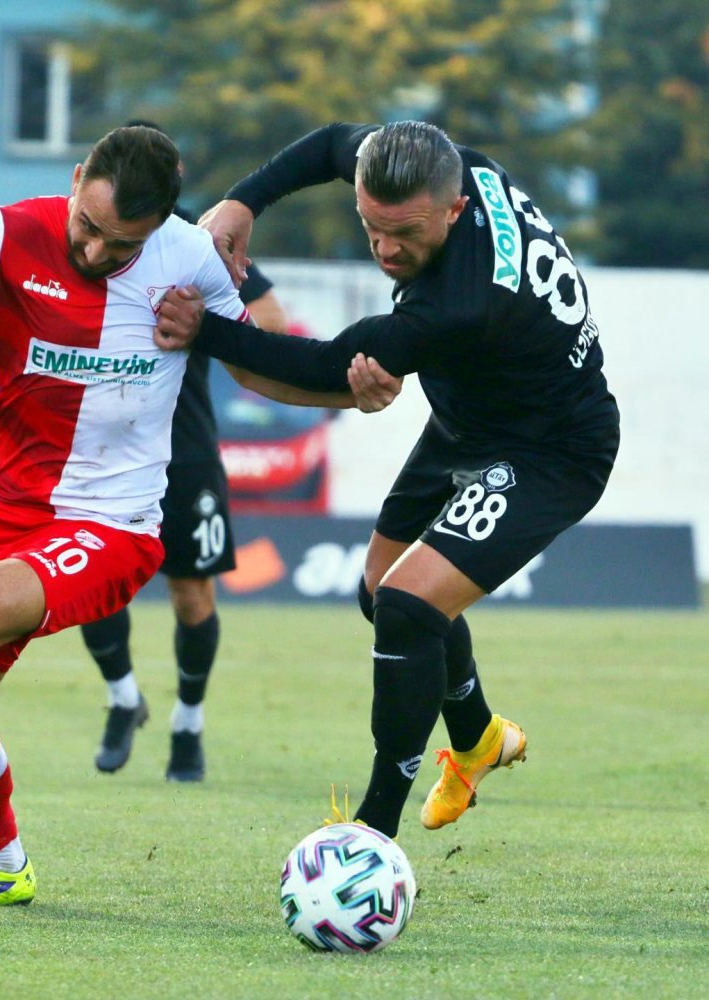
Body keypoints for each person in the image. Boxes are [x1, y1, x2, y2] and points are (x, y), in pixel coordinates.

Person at [0, 125, 382, 909]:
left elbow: (260, 369)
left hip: (112, 523)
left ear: (160, 225)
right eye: (86, 227)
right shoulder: (5, 231)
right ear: (73, 180)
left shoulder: (190, 257)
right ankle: (3, 867)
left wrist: (347, 393)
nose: (94, 252)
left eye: (119, 244)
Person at [155, 120, 620, 841]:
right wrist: (245, 201)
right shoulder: (442, 163)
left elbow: (321, 367)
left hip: (552, 450)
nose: (385, 249)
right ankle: (477, 738)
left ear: (455, 209)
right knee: (381, 594)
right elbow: (336, 141)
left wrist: (204, 330)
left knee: (407, 603)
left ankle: (373, 832)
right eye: (371, 225)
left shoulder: (461, 303)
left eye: (403, 233)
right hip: (476, 417)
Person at [82, 120, 290, 784]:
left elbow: (274, 332)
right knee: (92, 587)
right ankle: (123, 699)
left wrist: (205, 324)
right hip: (100, 450)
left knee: (191, 594)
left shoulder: (199, 246)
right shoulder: (82, 236)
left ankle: (187, 724)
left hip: (185, 447)